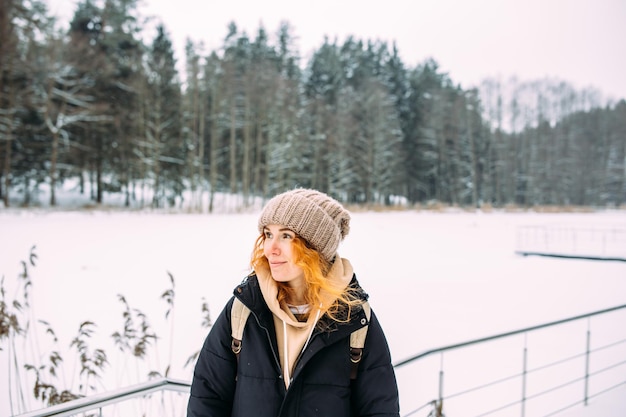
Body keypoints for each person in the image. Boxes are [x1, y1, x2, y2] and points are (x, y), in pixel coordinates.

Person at [187, 188, 399, 417]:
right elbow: (207, 399)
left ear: (315, 248)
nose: (270, 248)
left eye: (286, 236)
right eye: (268, 234)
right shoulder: (244, 309)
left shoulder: (354, 318)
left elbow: (379, 409)